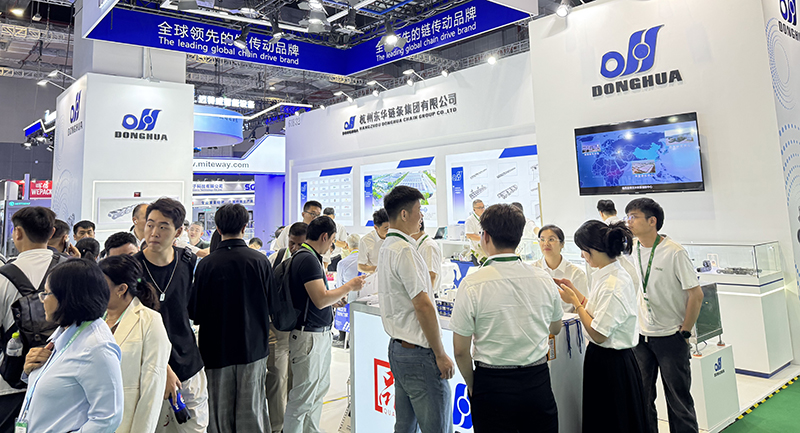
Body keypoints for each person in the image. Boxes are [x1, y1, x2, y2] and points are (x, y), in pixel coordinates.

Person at [451, 204, 563, 433]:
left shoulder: (472, 283)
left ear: (485, 237)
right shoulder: (543, 278)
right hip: (537, 381)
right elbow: (556, 327)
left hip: (492, 385)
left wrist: (473, 386)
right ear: (519, 237)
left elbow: (460, 350)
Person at [556, 220, 648, 433]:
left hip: (613, 364)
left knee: (612, 422)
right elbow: (597, 311)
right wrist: (576, 295)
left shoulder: (613, 284)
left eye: (583, 250)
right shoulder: (607, 276)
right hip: (605, 359)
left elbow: (598, 333)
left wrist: (576, 303)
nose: (582, 256)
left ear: (594, 249)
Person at [377, 186, 455, 433]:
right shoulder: (405, 250)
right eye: (419, 210)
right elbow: (422, 304)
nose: (421, 216)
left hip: (398, 349)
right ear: (404, 214)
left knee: (405, 426)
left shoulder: (388, 246)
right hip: (419, 355)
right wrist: (440, 353)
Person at [625, 198, 703, 433]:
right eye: (627, 216)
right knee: (642, 397)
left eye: (634, 217)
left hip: (671, 337)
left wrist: (685, 332)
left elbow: (696, 295)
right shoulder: (632, 249)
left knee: (679, 400)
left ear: (652, 221)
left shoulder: (674, 252)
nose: (629, 222)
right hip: (641, 337)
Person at [20, 259, 123, 432]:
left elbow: (108, 418)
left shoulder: (97, 348)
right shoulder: (65, 332)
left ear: (68, 297)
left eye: (46, 293)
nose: (42, 300)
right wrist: (31, 370)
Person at [194, 204, 272, 433]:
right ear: (245, 227)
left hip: (216, 350)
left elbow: (195, 312)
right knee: (253, 412)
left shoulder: (206, 264)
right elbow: (273, 306)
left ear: (217, 229)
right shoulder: (260, 261)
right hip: (253, 347)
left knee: (217, 416)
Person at [134, 198, 209, 433]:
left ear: (178, 232)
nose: (154, 232)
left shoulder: (188, 261)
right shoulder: (132, 269)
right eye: (150, 224)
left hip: (188, 363)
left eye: (163, 226)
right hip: (148, 369)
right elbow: (133, 326)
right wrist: (162, 368)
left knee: (196, 427)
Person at [284, 217, 364, 433]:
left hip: (316, 335)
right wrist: (349, 286)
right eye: (333, 240)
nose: (332, 245)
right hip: (308, 337)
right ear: (325, 236)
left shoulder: (309, 257)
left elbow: (316, 298)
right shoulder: (307, 259)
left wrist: (334, 300)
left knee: (316, 393)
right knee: (302, 398)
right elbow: (320, 299)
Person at [0, 207, 60, 432]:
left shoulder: (3, 277)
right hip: (60, 379)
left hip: (10, 384)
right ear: (52, 232)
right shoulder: (72, 271)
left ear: (17, 233)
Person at [100, 255, 171, 433]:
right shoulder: (94, 320)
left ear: (121, 289)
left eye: (101, 284)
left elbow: (152, 387)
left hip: (126, 422)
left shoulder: (149, 320)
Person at [266, 222, 307, 433]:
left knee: (297, 379)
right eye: (292, 243)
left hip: (300, 330)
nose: (295, 248)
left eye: (300, 244)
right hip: (276, 328)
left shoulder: (311, 261)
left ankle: (292, 425)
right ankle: (276, 427)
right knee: (276, 377)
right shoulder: (276, 258)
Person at [534, 224, 589, 308]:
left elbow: (584, 306)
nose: (546, 243)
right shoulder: (533, 270)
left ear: (562, 244)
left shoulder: (576, 274)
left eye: (551, 239)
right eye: (542, 239)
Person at [411, 220, 443, 292]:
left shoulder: (429, 246)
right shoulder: (418, 244)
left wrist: (426, 297)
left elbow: (431, 276)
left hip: (426, 295)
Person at [357, 208, 389, 274]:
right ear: (376, 228)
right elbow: (360, 266)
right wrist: (379, 269)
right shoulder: (366, 241)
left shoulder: (396, 236)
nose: (390, 231)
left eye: (392, 227)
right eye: (386, 229)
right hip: (376, 277)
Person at [465, 199, 486, 265]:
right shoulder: (470, 220)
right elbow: (469, 235)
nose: (482, 209)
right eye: (480, 208)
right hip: (477, 251)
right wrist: (484, 238)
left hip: (486, 250)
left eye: (483, 207)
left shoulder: (485, 218)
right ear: (474, 209)